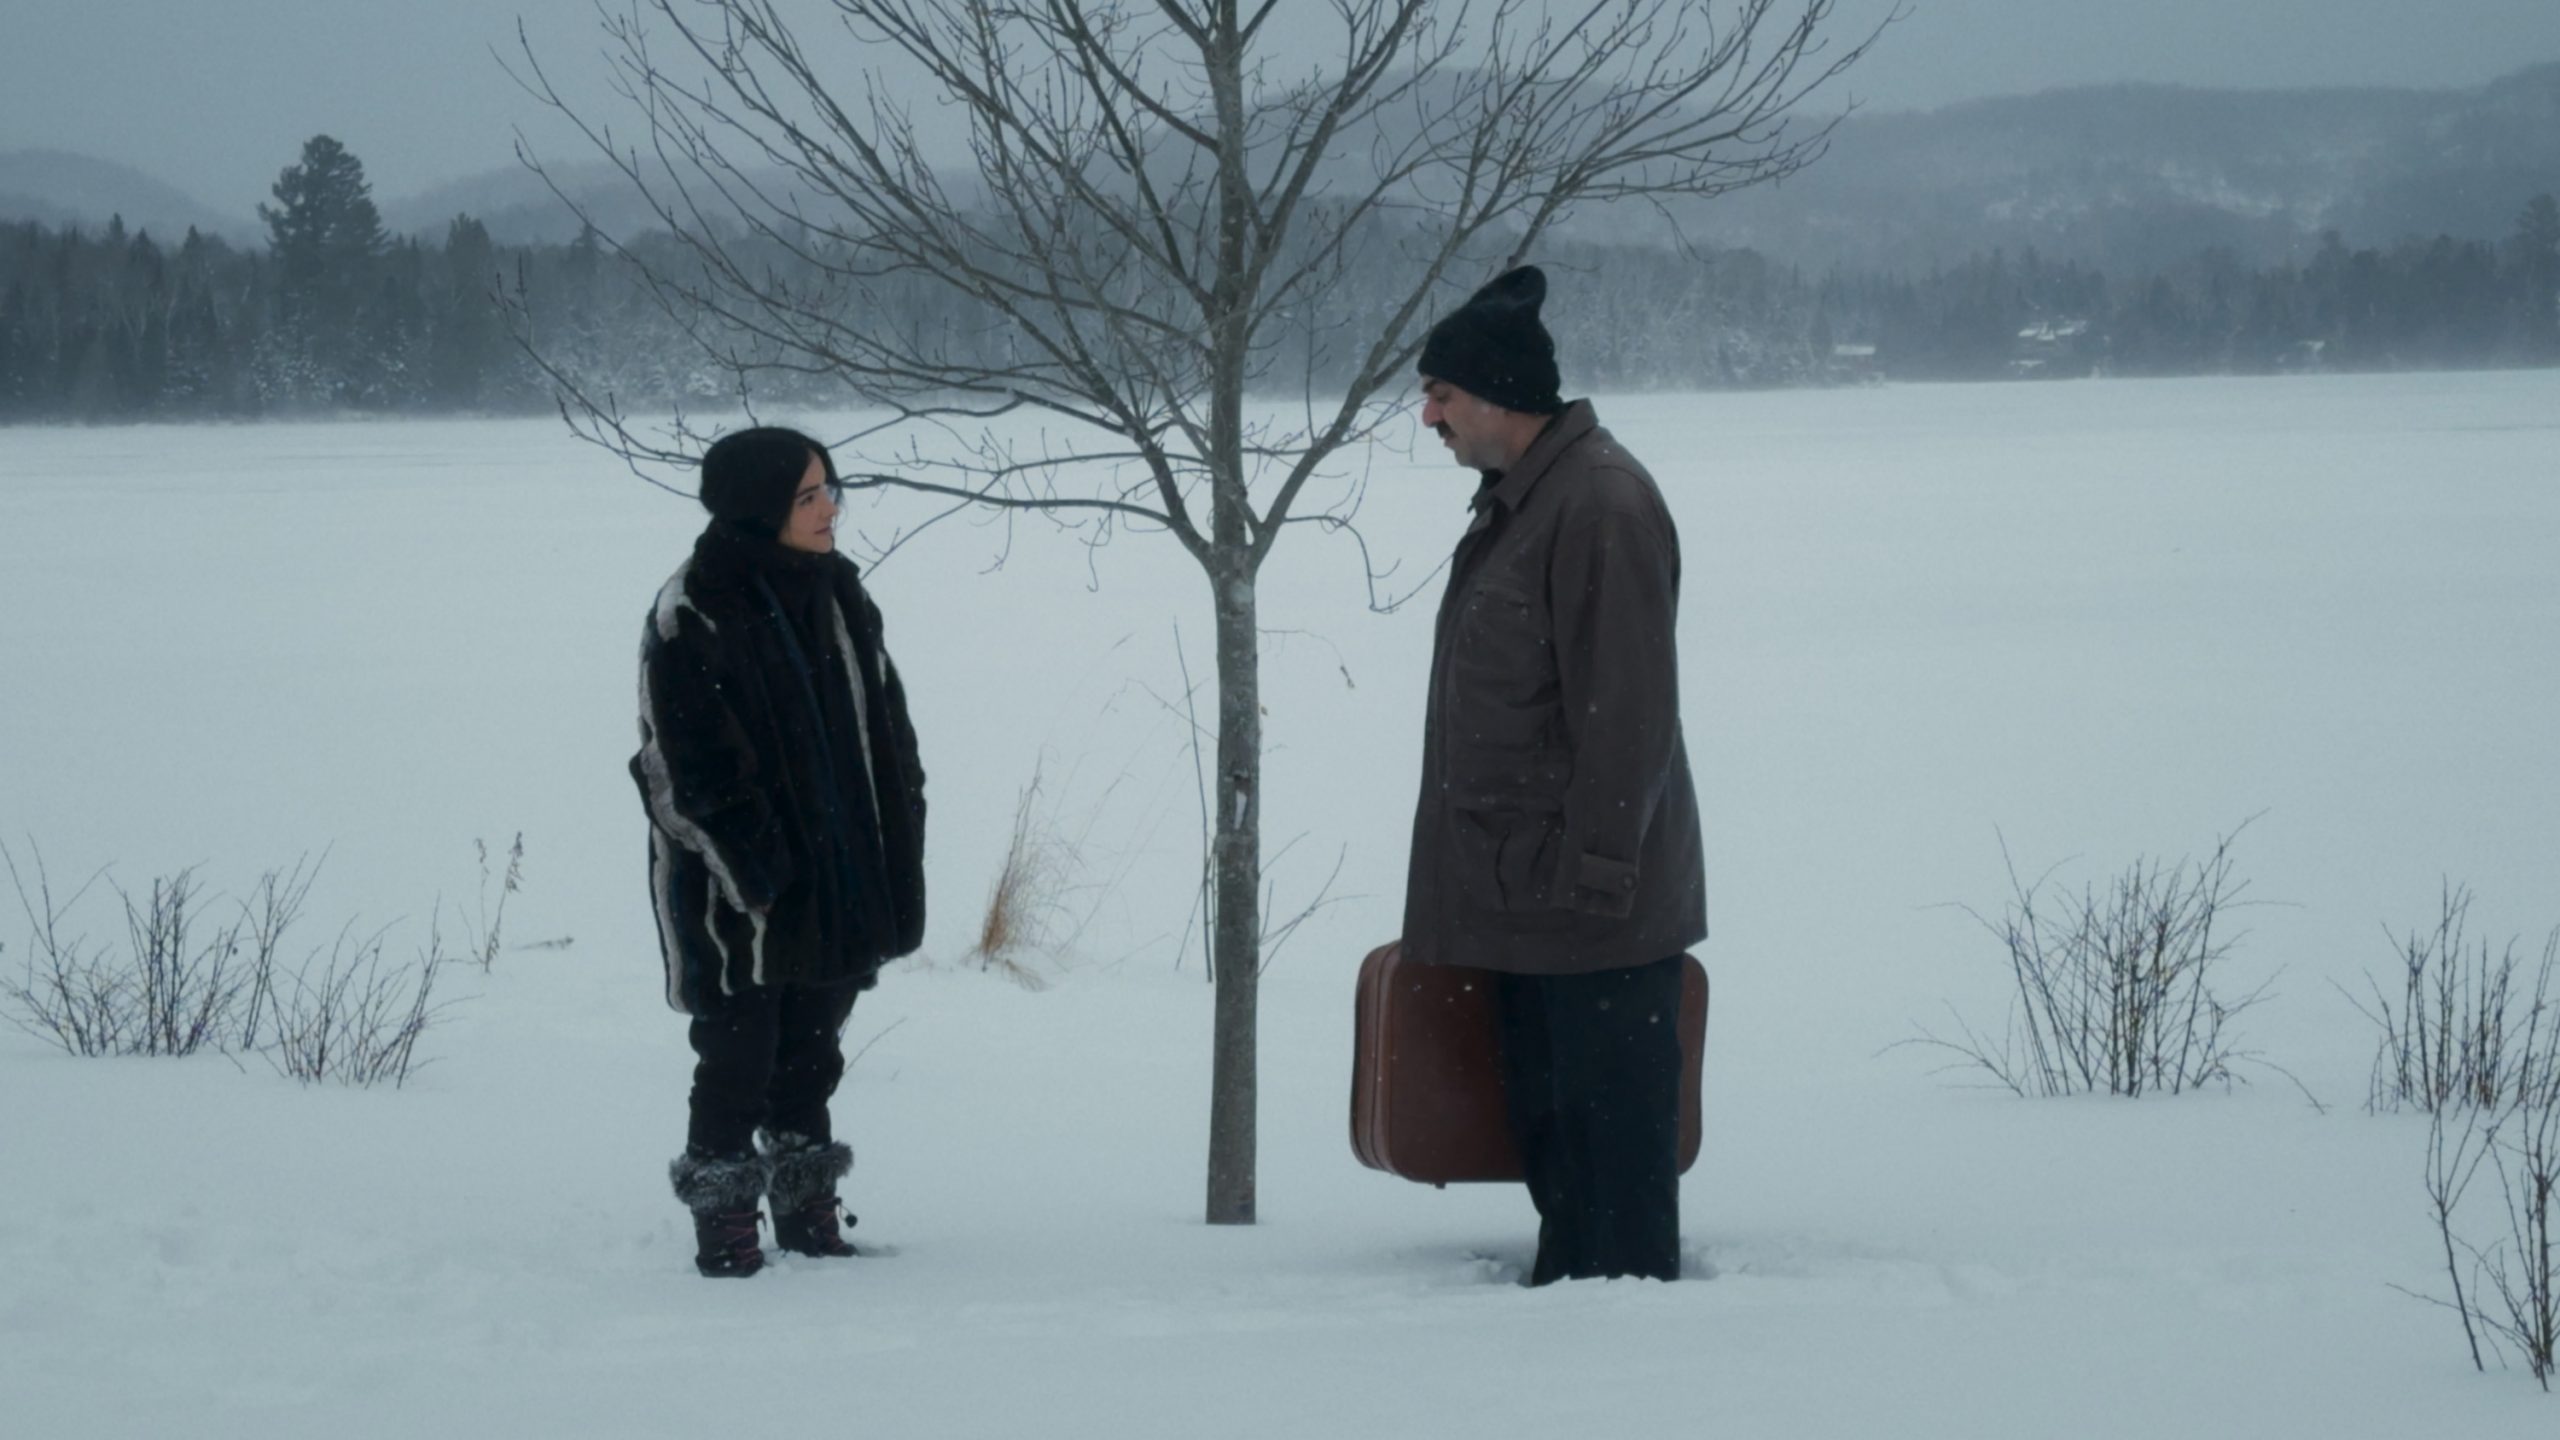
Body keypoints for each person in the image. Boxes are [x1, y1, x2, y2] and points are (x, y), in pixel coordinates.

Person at [1400, 266, 1707, 1285]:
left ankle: (1629, 1380)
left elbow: (1626, 716)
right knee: (1559, 1168)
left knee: (1613, 1195)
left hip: (1591, 917)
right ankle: (1571, 1352)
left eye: (1441, 393)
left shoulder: (1600, 508)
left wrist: (1599, 882)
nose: (1427, 414)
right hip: (1534, 903)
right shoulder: (1525, 502)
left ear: (1497, 394)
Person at [632, 426, 928, 1278]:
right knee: (738, 1055)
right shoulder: (694, 608)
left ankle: (805, 1211)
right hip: (740, 901)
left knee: (812, 1053)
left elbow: (886, 728)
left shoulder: (838, 594)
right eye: (809, 496)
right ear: (760, 507)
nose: (829, 507)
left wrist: (898, 819)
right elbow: (683, 772)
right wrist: (762, 877)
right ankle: (725, 1225)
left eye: (830, 488)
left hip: (841, 878)